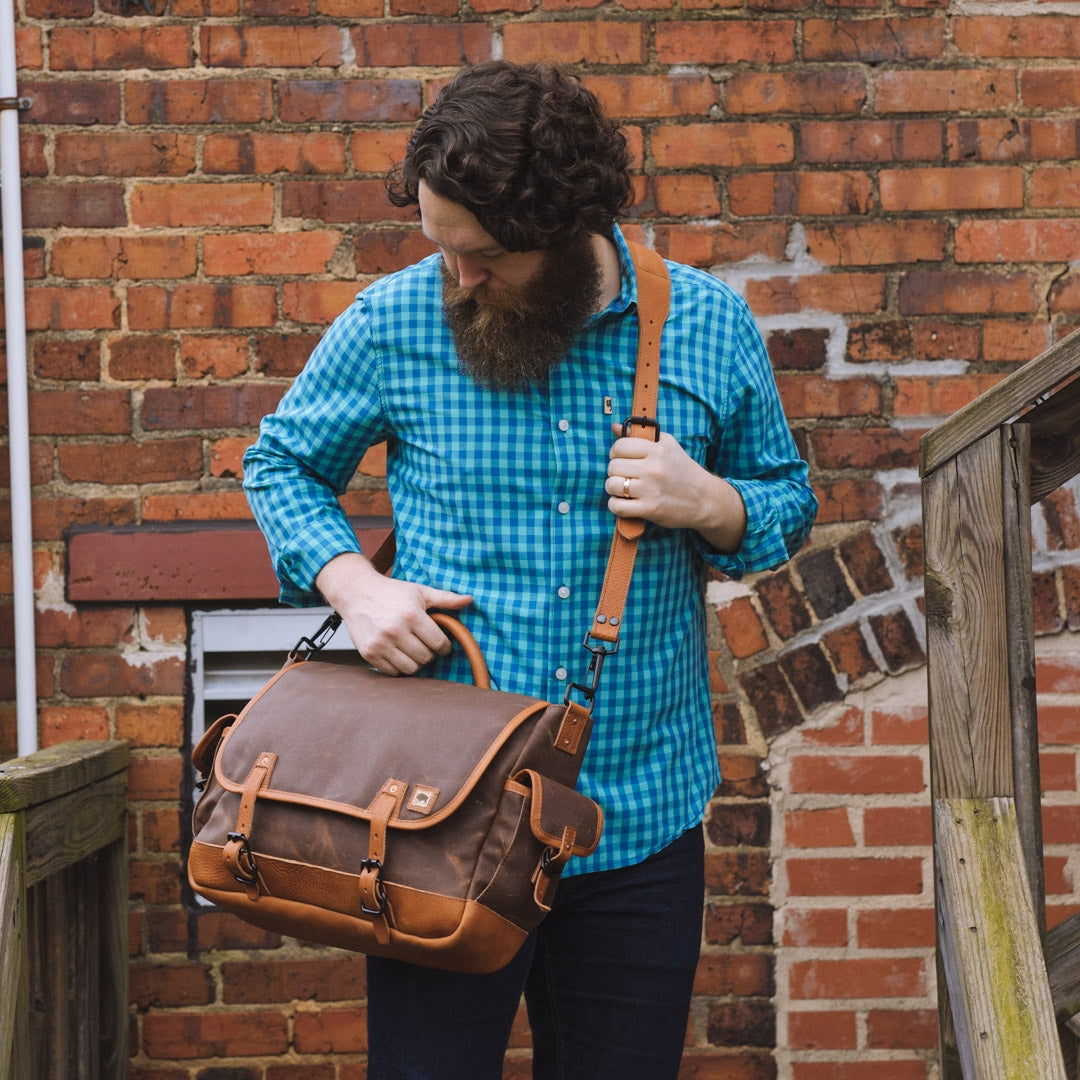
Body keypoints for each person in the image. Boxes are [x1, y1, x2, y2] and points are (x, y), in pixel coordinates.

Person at [242, 60, 817, 1080]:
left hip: (636, 819)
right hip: (432, 824)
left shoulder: (705, 325)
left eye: (488, 257)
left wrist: (712, 504)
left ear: (568, 231)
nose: (458, 276)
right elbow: (279, 462)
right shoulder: (395, 320)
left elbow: (787, 503)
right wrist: (354, 587)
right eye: (441, 246)